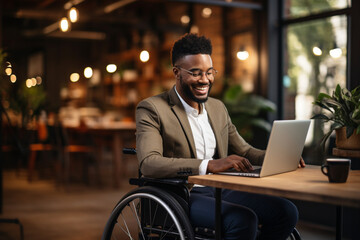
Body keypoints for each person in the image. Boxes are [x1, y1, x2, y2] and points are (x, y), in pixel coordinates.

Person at [135, 33, 304, 240]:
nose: (205, 80)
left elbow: (244, 151)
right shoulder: (152, 108)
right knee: (242, 220)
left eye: (209, 72)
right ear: (176, 72)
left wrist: (278, 157)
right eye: (196, 73)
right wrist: (209, 165)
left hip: (220, 189)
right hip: (182, 194)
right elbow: (150, 164)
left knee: (286, 211)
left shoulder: (217, 108)